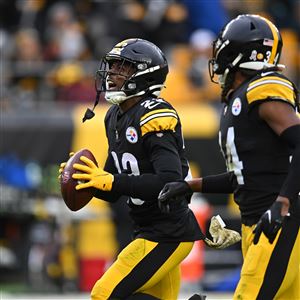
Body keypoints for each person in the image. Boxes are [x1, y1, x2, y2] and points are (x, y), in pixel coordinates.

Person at [158, 14, 300, 300]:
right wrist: (190, 186)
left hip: (280, 222)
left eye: (224, 52)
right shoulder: (239, 100)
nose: (218, 61)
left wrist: (282, 204)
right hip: (260, 222)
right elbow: (244, 177)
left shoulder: (263, 90)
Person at [60, 38, 208, 300]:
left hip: (168, 232)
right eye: (113, 66)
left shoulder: (155, 113)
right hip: (147, 228)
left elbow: (169, 182)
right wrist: (86, 178)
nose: (113, 74)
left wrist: (111, 182)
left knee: (104, 294)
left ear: (144, 74)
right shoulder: (114, 115)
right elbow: (111, 188)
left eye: (122, 68)